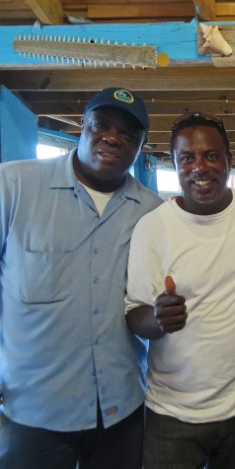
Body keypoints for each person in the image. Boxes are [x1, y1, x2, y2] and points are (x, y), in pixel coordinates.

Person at [0, 87, 162, 469]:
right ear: (81, 127)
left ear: (139, 146)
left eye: (128, 133)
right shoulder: (14, 186)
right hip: (34, 409)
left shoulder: (151, 212)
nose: (112, 137)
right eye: (101, 125)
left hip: (120, 409)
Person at [124, 112, 235, 469]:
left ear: (229, 160)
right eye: (187, 158)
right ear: (175, 163)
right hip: (171, 414)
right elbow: (134, 315)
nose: (200, 167)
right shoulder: (152, 228)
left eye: (211, 155)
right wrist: (156, 319)